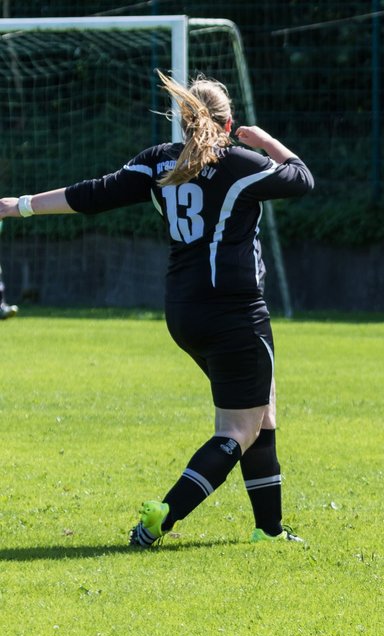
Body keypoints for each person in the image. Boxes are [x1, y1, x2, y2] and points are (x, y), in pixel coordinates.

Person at [0, 71, 314, 547]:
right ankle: (159, 520)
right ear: (229, 126)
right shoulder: (240, 163)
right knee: (238, 428)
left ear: (183, 123)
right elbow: (302, 178)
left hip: (184, 313)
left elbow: (91, 194)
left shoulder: (159, 162)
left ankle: (269, 530)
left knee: (260, 414)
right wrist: (265, 138)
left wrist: (19, 205)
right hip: (234, 313)